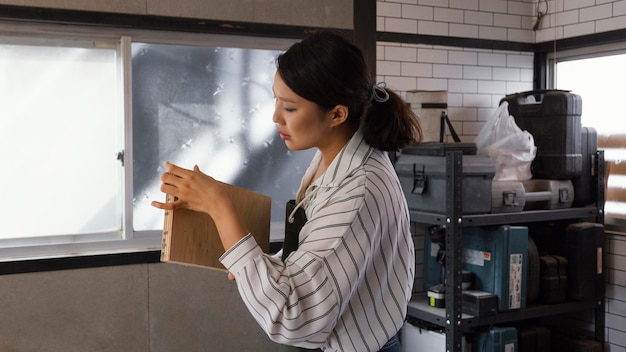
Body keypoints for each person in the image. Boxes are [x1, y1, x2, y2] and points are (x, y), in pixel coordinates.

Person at [152, 30, 423, 352]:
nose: (275, 117)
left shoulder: (357, 189)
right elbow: (320, 256)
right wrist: (255, 267)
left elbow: (291, 317)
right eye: (276, 100)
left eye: (290, 108)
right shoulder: (336, 160)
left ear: (337, 114)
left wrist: (220, 206)